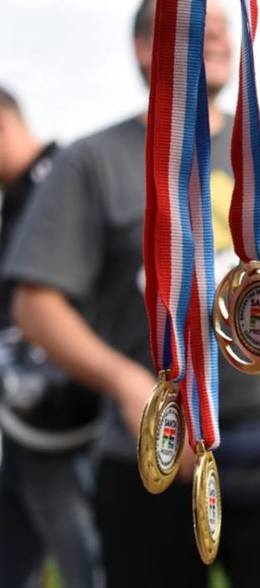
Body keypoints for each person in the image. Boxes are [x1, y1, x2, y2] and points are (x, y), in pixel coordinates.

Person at [4, 1, 260, 586]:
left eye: (221, 28)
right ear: (144, 48)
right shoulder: (90, 161)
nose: (213, 37)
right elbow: (36, 306)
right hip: (153, 451)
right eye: (193, 27)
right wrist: (128, 383)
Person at [0, 86, 104, 588]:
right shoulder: (17, 198)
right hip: (22, 419)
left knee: (83, 559)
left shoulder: (62, 178)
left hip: (66, 419)